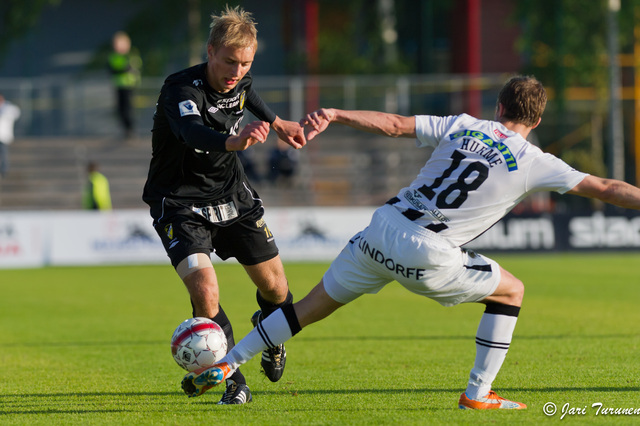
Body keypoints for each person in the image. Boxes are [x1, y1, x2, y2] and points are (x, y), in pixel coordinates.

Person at [181, 75, 640, 409]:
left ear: (498, 108)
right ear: (535, 119)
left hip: (381, 228)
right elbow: (605, 187)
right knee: (512, 291)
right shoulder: (537, 161)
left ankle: (228, 361)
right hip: (427, 252)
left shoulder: (464, 124)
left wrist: (337, 114)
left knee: (305, 311)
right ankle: (478, 394)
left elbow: (395, 124)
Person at [142, 5, 306, 405]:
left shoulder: (240, 79)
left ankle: (271, 336)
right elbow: (189, 130)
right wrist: (235, 142)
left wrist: (278, 121)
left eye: (245, 62)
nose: (236, 71)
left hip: (233, 196)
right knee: (205, 289)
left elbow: (247, 92)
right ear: (210, 50)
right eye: (229, 61)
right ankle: (233, 380)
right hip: (179, 202)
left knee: (276, 288)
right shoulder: (180, 89)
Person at [108, 31, 142, 139]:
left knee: (128, 108)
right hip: (118, 85)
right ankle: (125, 130)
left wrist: (122, 70)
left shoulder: (131, 55)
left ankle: (130, 130)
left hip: (129, 85)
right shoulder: (113, 56)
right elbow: (111, 69)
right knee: (120, 108)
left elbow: (133, 68)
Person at [0, 94, 21, 178]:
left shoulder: (8, 108)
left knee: (4, 153)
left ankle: (4, 170)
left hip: (3, 135)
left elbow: (16, 114)